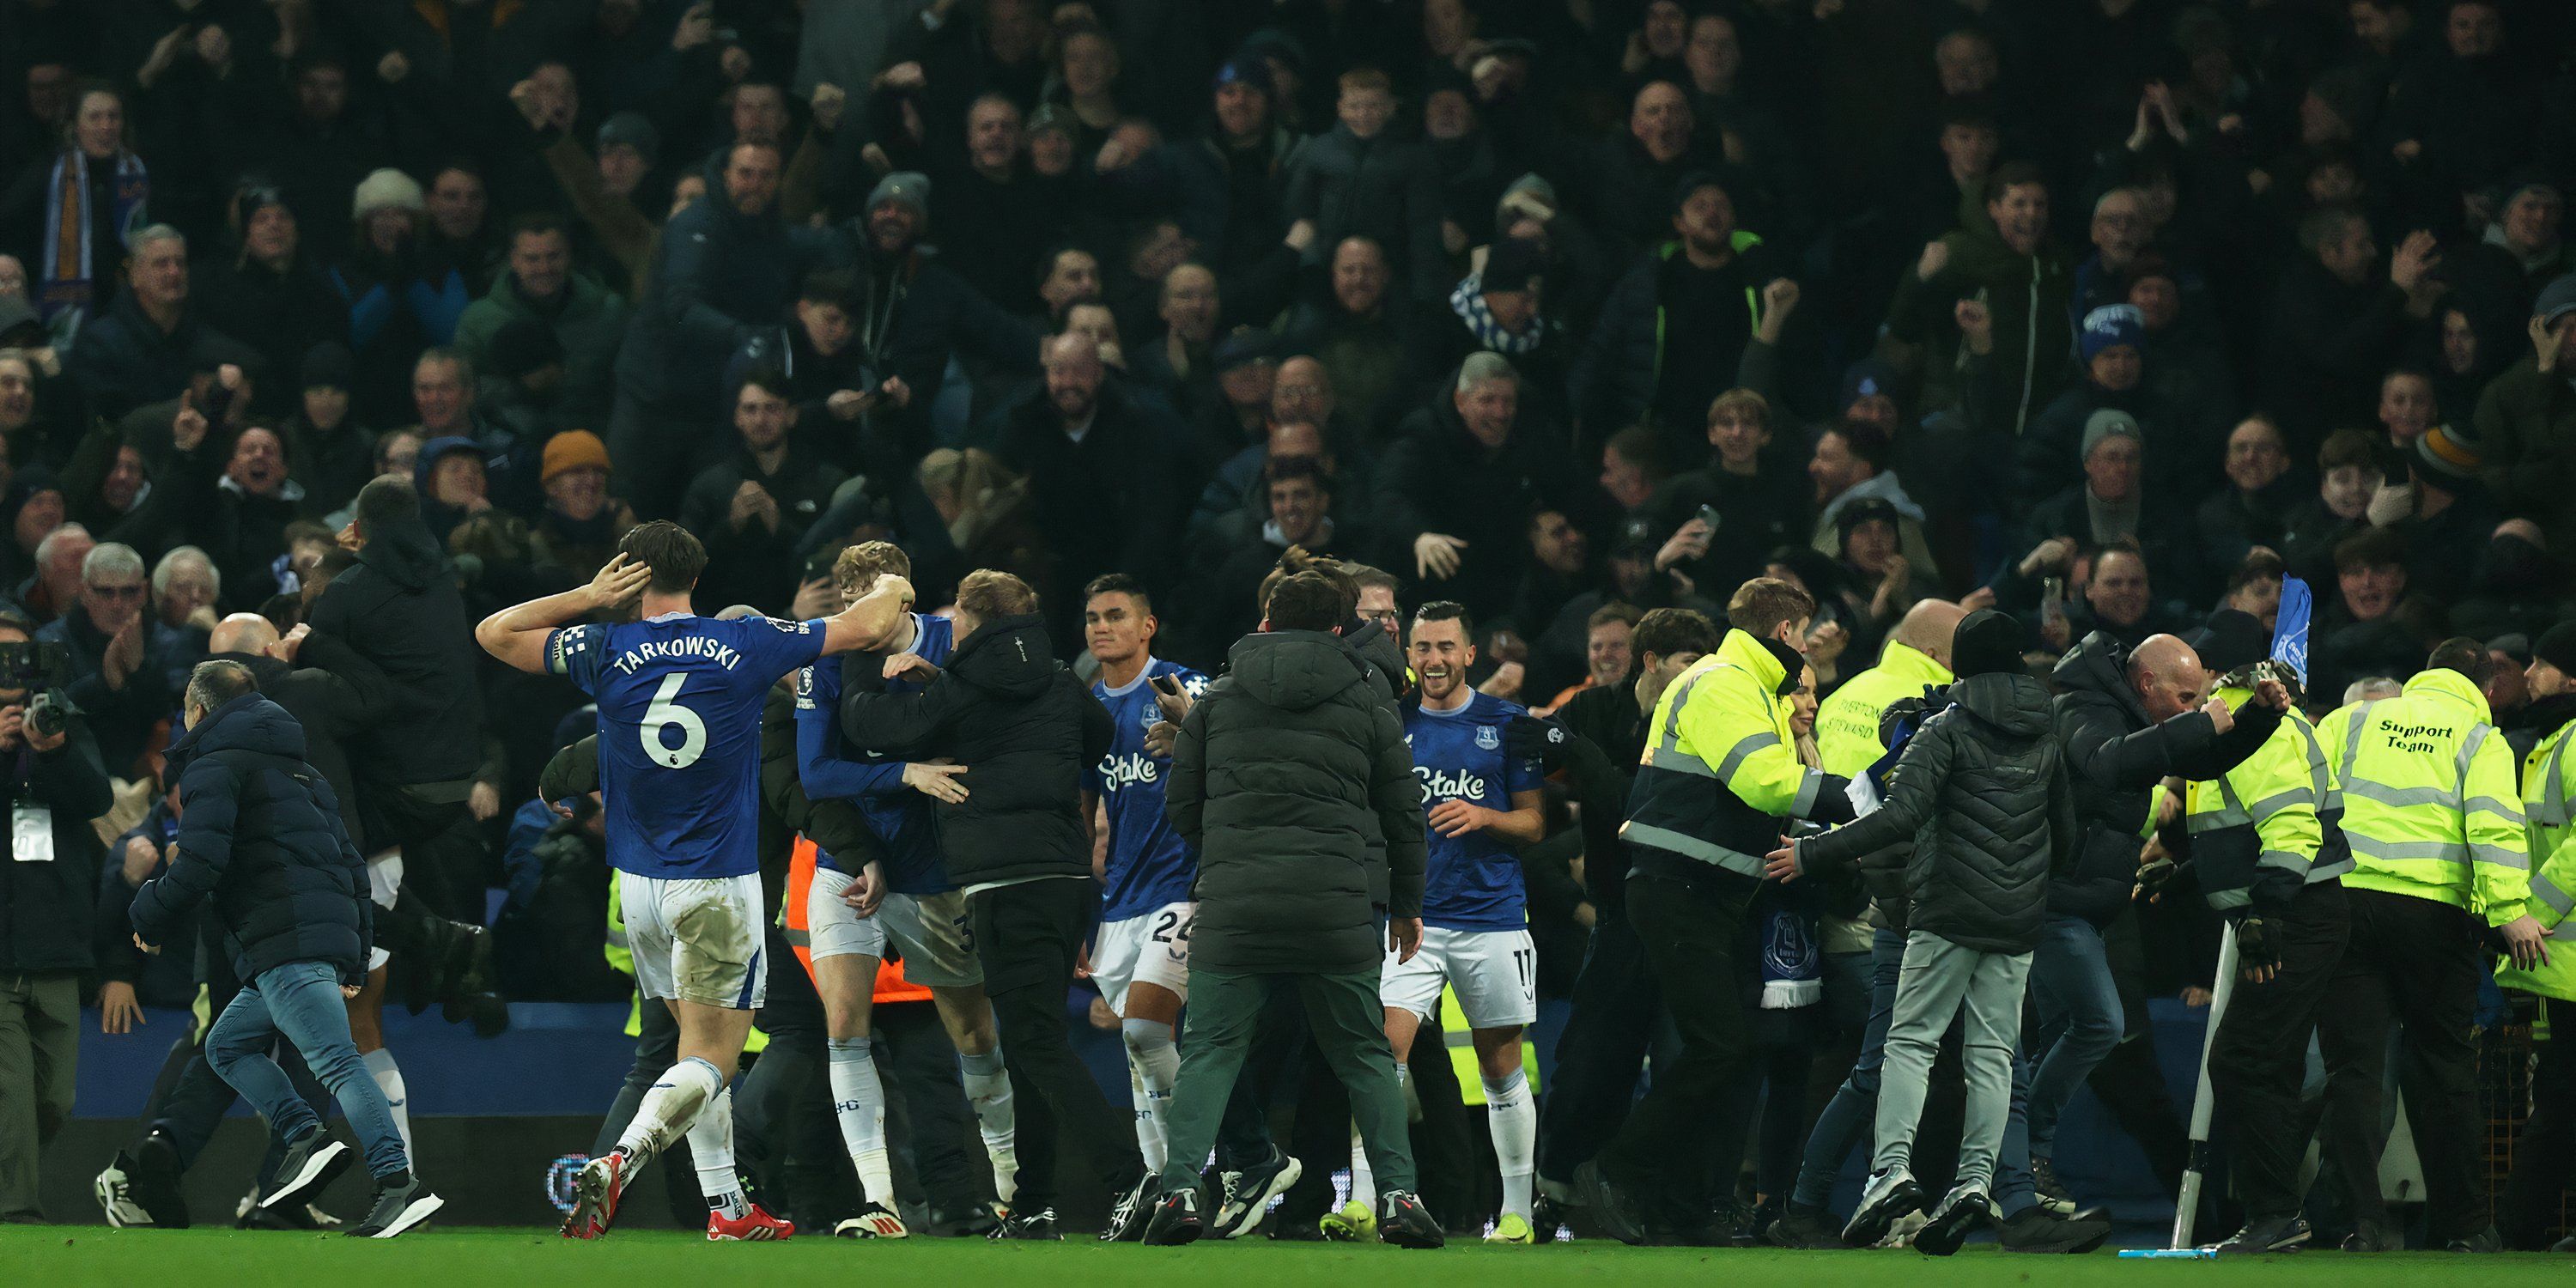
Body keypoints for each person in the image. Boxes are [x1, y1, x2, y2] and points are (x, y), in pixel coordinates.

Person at [474, 520, 915, 1240]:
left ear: (630, 573)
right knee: (715, 1056)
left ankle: (729, 1211)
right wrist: (896, 580)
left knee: (693, 1049)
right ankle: (617, 1163)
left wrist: (587, 595)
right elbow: (868, 623)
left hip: (641, 889)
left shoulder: (605, 647)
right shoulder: (744, 642)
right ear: (697, 578)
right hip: (718, 884)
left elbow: (495, 632)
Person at [834, 569, 1151, 1240]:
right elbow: (1097, 737)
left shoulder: (961, 687)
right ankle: (1034, 1200)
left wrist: (867, 667)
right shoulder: (1063, 678)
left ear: (970, 624)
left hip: (1004, 884)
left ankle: (1131, 1181)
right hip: (1067, 881)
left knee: (1034, 1041)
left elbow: (880, 730)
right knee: (1036, 1039)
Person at [1139, 569, 1441, 1249]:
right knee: (1362, 1054)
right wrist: (1406, 904)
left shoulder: (1216, 698)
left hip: (1235, 908)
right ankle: (1397, 1197)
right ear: (1340, 627)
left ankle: (1182, 1191)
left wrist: (1227, 855)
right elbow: (1402, 814)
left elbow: (1181, 806)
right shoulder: (1369, 699)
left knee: (1210, 1051)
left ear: (1268, 619)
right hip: (1335, 905)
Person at [1766, 609, 2078, 1255]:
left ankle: (1889, 1173)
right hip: (2017, 921)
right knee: (1992, 1057)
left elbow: (1898, 818)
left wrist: (1810, 855)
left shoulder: (1945, 728)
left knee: (1910, 1043)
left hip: (1946, 912)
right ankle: (1973, 1182)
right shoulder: (2046, 734)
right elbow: (2066, 837)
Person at [1576, 577, 1852, 1243]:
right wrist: (1852, 797)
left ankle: (1680, 1202)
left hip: (1702, 892)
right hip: (1682, 890)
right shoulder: (1727, 682)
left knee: (1721, 1050)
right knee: (1719, 1048)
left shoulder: (1740, 685)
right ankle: (1614, 1171)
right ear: (1786, 632)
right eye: (1804, 636)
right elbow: (1762, 782)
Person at [126, 659, 441, 1238]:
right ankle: (305, 1135)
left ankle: (398, 1185)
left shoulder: (212, 767)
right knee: (225, 1045)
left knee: (337, 1062)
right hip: (309, 935)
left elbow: (199, 864)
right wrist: (354, 949)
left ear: (198, 712)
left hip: (282, 938)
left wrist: (146, 912)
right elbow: (350, 865)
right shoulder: (305, 775)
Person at [793, 542, 1023, 1233]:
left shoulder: (958, 644)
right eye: (850, 597)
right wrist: (905, 774)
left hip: (935, 873)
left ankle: (1010, 1185)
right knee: (844, 1027)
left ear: (905, 593)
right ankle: (879, 1201)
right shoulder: (824, 663)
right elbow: (817, 774)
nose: (861, 609)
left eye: (876, 594)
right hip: (848, 867)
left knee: (974, 1032)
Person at [2034, 630, 2287, 1206]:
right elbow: (2106, 764)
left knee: (2058, 1041)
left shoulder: (2130, 712)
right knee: (2101, 1030)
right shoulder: (2083, 708)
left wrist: (2256, 722)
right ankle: (2022, 1163)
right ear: (2147, 683)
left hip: (2088, 905)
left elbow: (2196, 754)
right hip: (2054, 904)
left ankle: (2023, 1177)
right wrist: (2202, 724)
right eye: (2184, 699)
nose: (2192, 710)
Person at [2315, 638, 2546, 1253]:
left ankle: (2359, 1223)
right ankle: (2463, 1227)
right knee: (2442, 1069)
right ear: (2488, 687)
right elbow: (2492, 823)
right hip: (2433, 915)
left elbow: (2306, 799)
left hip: (2345, 904)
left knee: (2354, 1072)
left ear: (2424, 674)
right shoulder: (2478, 736)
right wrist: (2509, 911)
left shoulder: (2354, 719)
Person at [1333, 601, 1544, 1243]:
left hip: (1493, 918)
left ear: (1469, 653)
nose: (1433, 661)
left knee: (1499, 1061)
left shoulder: (1507, 723)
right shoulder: (1389, 723)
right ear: (1410, 655)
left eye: (1445, 648)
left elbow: (1534, 823)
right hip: (1413, 920)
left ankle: (1517, 1213)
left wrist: (1486, 818)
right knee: (1382, 1052)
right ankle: (1364, 1199)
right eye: (1422, 649)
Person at [2176, 611, 2356, 1256]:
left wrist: (2265, 916)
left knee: (2243, 1059)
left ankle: (2279, 1213)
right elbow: (2243, 824)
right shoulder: (2254, 715)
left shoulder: (2244, 720)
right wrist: (2186, 873)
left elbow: (2291, 829)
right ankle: (2285, 1214)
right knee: (2268, 1063)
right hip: (2298, 910)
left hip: (2293, 913)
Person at [1078, 575, 1206, 1182]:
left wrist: (1191, 741)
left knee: (1144, 1030)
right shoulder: (1089, 707)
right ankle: (1164, 1186)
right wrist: (1082, 903)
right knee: (1137, 1053)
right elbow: (1081, 811)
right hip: (1119, 896)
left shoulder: (1184, 688)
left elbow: (1236, 770)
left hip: (1183, 886)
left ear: (1147, 625)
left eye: (1116, 615)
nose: (1102, 627)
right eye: (1093, 618)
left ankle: (1200, 1165)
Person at [0, 610, 111, 1223]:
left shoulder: (60, 718)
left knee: (55, 1100)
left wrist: (55, 750)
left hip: (55, 944)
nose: (10, 671)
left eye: (19, 657)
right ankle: (16, 1213)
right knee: (10, 1096)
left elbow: (96, 799)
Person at [2496, 623, 2576, 1249]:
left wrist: (2529, 911)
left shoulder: (2569, 744)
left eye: (2542, 664)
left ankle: (2519, 1230)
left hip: (2561, 949)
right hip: (2562, 959)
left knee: (2559, 1097)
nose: (2528, 674)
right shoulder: (2554, 744)